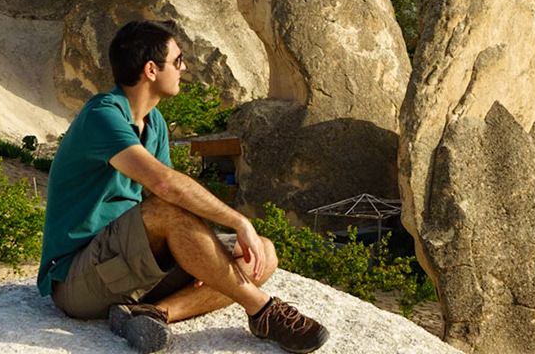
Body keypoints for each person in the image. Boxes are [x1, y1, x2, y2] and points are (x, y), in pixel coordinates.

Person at [39, 19, 329, 352]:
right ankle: (263, 311)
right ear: (151, 69)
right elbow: (164, 187)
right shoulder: (103, 116)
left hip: (126, 263)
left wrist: (202, 254)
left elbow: (171, 201)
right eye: (177, 60)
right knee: (169, 211)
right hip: (77, 278)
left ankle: (151, 314)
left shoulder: (155, 122)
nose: (184, 68)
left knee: (260, 254)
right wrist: (239, 221)